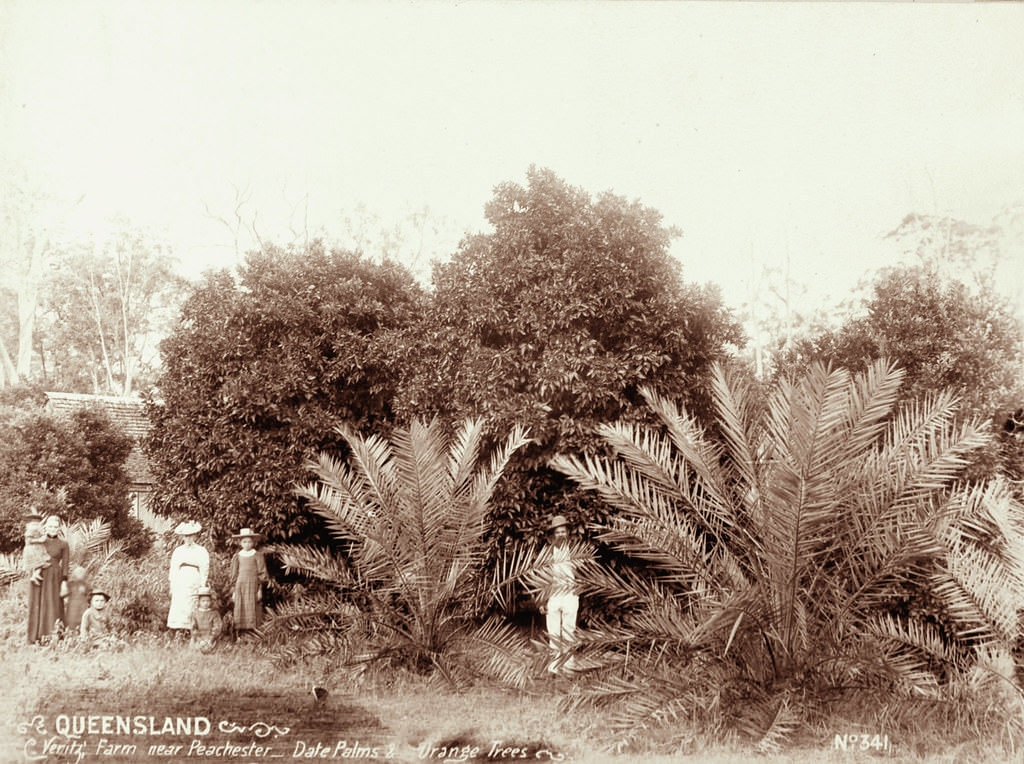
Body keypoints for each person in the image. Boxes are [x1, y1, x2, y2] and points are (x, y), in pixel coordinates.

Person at [537, 515, 579, 675]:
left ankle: (568, 668)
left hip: (570, 596)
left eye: (563, 531)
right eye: (558, 532)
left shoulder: (575, 550)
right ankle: (553, 669)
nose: (561, 534)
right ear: (553, 534)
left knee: (569, 633)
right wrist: (541, 601)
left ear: (567, 532)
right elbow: (541, 578)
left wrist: (577, 592)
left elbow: (583, 574)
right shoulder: (547, 552)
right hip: (554, 597)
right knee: (553, 633)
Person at [27, 514, 69, 644]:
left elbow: (66, 564)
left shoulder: (63, 544)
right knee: (37, 603)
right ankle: (35, 637)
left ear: (59, 528)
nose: (52, 529)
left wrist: (64, 582)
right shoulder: (40, 540)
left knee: (53, 605)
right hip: (39, 575)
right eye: (50, 526)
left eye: (55, 527)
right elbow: (30, 552)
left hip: (55, 576)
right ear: (45, 527)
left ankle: (53, 636)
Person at [167, 521, 209, 637]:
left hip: (194, 578)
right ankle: (179, 631)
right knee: (180, 604)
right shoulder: (178, 551)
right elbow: (173, 569)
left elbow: (204, 568)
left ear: (195, 536)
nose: (188, 538)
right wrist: (172, 585)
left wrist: (202, 584)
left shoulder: (201, 551)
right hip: (181, 579)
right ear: (182, 537)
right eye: (186, 536)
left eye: (191, 535)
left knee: (193, 603)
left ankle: (192, 631)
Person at [229, 528, 269, 635]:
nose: (247, 544)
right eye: (244, 542)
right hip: (240, 586)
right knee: (240, 606)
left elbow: (262, 573)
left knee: (254, 606)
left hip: (253, 585)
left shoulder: (257, 555)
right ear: (240, 543)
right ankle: (240, 633)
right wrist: (233, 592)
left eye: (249, 541)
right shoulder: (237, 556)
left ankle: (254, 633)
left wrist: (259, 590)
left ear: (254, 542)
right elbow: (234, 575)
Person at [189, 586, 222, 653]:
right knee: (198, 649)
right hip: (199, 639)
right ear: (199, 602)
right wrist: (200, 640)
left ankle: (210, 647)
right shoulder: (195, 613)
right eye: (203, 601)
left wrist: (210, 639)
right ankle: (200, 647)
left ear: (211, 601)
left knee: (211, 649)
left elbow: (217, 627)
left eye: (208, 601)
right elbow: (193, 628)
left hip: (211, 638)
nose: (205, 603)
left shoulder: (214, 613)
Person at [22, 513, 50, 585]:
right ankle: (34, 575)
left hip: (38, 549)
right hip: (32, 549)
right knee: (38, 562)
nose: (36, 526)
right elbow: (29, 541)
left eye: (37, 524)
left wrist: (44, 536)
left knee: (40, 563)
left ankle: (35, 575)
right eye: (34, 524)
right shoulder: (29, 532)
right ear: (29, 525)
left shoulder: (38, 531)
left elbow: (43, 536)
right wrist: (39, 540)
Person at [64, 566, 91, 631]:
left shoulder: (86, 585)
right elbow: (64, 594)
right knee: (71, 621)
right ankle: (69, 636)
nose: (80, 574)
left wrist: (87, 599)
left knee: (82, 622)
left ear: (85, 574)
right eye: (78, 572)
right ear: (74, 574)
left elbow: (90, 595)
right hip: (72, 607)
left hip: (82, 606)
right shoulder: (70, 584)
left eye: (82, 572)